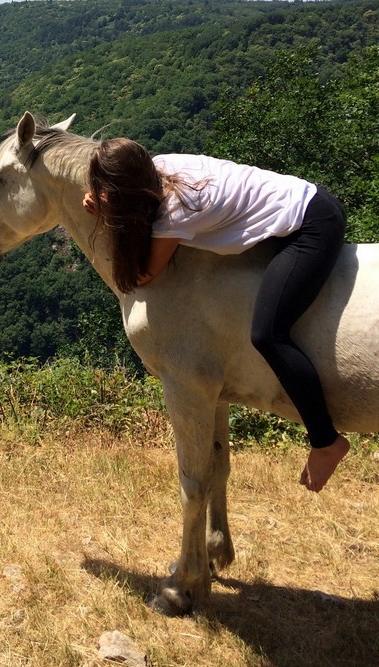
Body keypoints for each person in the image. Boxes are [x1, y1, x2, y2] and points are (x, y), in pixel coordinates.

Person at [82, 138, 350, 493]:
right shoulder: (158, 165)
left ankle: (326, 440)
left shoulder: (177, 210)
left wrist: (107, 218)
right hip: (301, 202)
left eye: (106, 190)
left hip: (313, 223)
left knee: (268, 334)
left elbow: (141, 275)